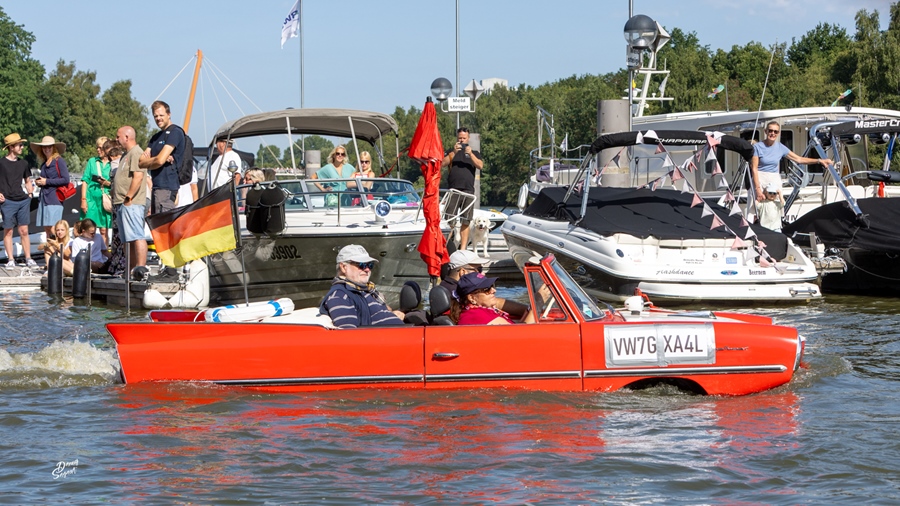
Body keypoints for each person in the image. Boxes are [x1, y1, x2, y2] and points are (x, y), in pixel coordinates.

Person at [319, 244, 405, 328]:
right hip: (388, 337)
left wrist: (393, 314)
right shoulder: (340, 296)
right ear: (344, 267)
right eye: (361, 265)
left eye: (370, 265)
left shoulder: (367, 291)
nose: (367, 269)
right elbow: (348, 333)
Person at [751, 121, 833, 203]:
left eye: (775, 131)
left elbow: (799, 159)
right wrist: (758, 189)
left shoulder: (780, 147)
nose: (773, 133)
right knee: (756, 207)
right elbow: (754, 169)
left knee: (776, 207)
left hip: (774, 179)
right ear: (766, 131)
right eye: (770, 131)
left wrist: (819, 161)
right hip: (760, 179)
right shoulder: (757, 147)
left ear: (778, 133)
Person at [440, 249, 528, 319]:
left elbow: (493, 302)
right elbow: (492, 303)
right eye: (479, 269)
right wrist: (528, 311)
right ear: (463, 272)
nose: (482, 274)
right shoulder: (455, 291)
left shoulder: (446, 287)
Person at [441, 127, 484, 252]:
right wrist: (454, 152)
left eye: (464, 138)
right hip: (453, 190)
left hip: (468, 191)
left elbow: (480, 165)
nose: (461, 140)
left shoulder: (474, 153)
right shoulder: (451, 151)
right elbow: (442, 164)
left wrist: (470, 154)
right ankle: (446, 248)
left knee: (466, 221)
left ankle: (463, 249)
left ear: (468, 138)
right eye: (460, 138)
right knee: (449, 221)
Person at [139, 100, 185, 214]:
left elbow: (159, 161)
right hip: (156, 186)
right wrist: (157, 159)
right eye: (155, 116)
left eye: (161, 115)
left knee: (164, 222)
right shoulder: (155, 137)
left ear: (169, 114)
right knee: (156, 223)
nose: (158, 118)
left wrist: (156, 160)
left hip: (167, 187)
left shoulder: (175, 132)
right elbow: (141, 162)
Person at [113, 126, 148, 272]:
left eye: (118, 136)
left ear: (127, 137)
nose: (116, 139)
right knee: (128, 240)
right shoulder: (126, 155)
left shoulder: (136, 153)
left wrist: (129, 197)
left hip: (131, 203)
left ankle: (141, 268)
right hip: (122, 203)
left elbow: (138, 176)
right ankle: (132, 270)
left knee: (137, 236)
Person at [0, 133, 37, 268]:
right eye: (19, 145)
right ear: (11, 147)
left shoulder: (23, 163)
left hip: (22, 200)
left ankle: (28, 258)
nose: (22, 147)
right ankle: (10, 259)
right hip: (7, 201)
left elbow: (27, 181)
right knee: (8, 230)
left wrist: (30, 194)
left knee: (24, 231)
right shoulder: (1, 163)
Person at [450, 272, 535, 325]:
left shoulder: (479, 311)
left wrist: (530, 309)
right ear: (472, 298)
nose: (494, 290)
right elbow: (522, 336)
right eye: (487, 289)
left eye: (492, 286)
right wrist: (535, 305)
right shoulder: (477, 316)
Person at [32, 136, 70, 239]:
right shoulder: (44, 164)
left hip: (55, 198)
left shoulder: (59, 161)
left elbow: (66, 179)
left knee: (54, 228)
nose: (47, 149)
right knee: (47, 228)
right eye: (44, 147)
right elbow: (45, 181)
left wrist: (46, 181)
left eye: (49, 146)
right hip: (44, 199)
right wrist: (39, 182)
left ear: (54, 148)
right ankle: (50, 248)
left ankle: (58, 248)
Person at [79, 136, 112, 247]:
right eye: (97, 147)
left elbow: (118, 182)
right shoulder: (92, 161)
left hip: (105, 200)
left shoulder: (113, 163)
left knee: (104, 230)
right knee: (88, 228)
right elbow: (85, 181)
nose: (98, 150)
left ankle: (103, 252)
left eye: (100, 148)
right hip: (91, 200)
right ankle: (88, 252)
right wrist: (83, 200)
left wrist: (107, 183)